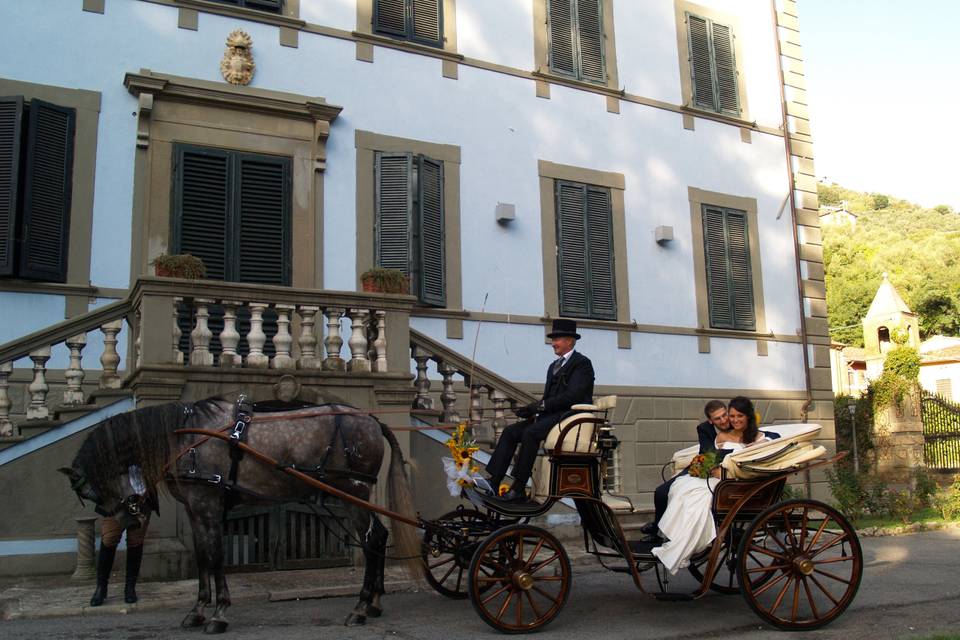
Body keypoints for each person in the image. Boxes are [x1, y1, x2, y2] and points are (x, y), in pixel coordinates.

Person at [651, 396, 778, 574]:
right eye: (730, 416)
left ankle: (685, 544)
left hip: (735, 482)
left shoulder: (763, 437)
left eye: (735, 416)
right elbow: (709, 457)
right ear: (711, 421)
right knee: (674, 491)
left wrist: (724, 471)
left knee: (697, 500)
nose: (731, 420)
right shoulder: (718, 434)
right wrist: (712, 468)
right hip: (710, 473)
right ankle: (663, 533)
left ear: (748, 416)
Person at [484, 318, 594, 502]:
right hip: (551, 415)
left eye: (556, 339)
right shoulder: (554, 366)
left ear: (569, 340)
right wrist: (530, 410)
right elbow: (548, 398)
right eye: (553, 340)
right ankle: (494, 481)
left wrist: (542, 406)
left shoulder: (582, 363)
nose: (553, 344)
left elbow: (573, 396)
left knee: (531, 433)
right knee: (511, 431)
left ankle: (519, 487)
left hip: (569, 416)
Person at [641, 400, 730, 536]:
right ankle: (657, 529)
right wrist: (719, 452)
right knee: (661, 492)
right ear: (711, 421)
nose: (724, 420)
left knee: (685, 496)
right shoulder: (704, 428)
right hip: (701, 467)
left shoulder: (736, 426)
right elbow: (708, 453)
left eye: (725, 415)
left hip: (722, 472)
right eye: (718, 418)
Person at [90, 466, 151, 606]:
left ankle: (130, 588)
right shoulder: (113, 448)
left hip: (141, 499)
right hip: (116, 500)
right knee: (109, 539)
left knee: (135, 541)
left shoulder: (145, 448)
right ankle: (101, 588)